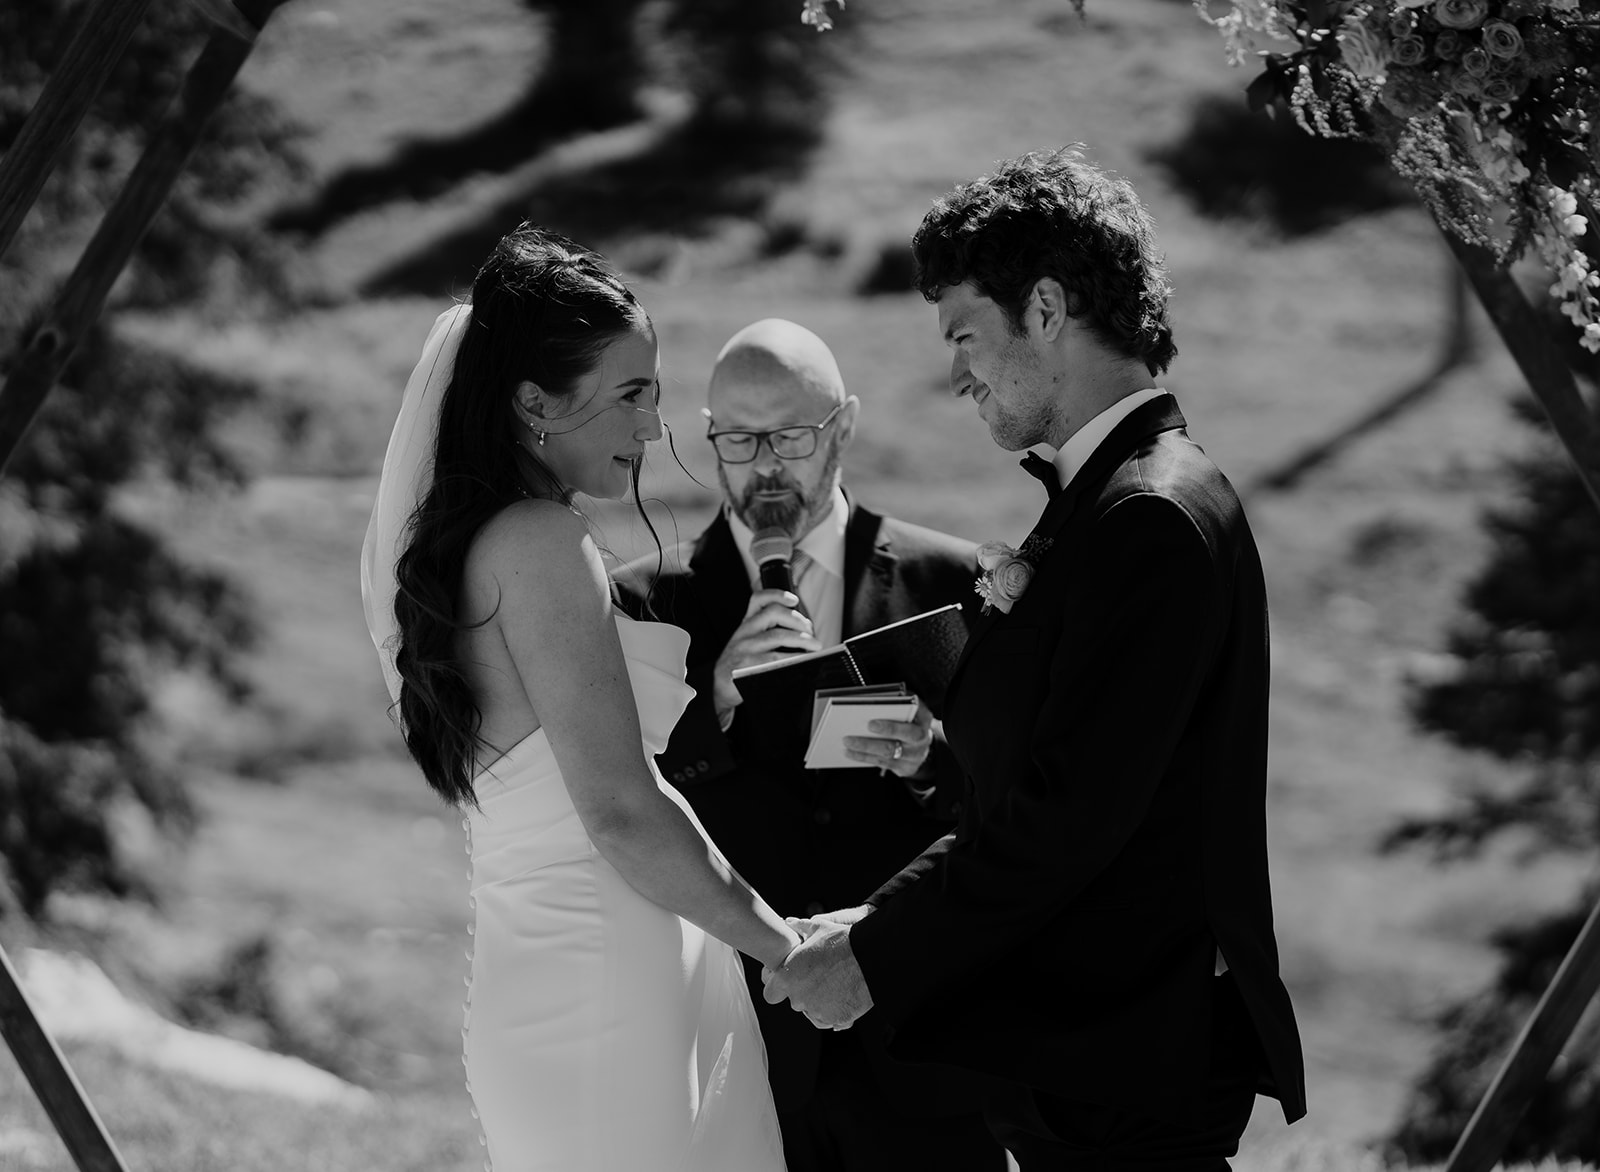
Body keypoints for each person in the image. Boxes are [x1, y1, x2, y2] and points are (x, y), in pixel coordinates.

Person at [763, 148, 1308, 1169]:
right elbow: (1017, 791)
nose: (956, 370)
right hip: (1084, 1067)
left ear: (1047, 308)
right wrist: (870, 915)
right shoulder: (1106, 501)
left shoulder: (1145, 514)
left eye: (965, 333)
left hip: (1123, 1075)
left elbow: (1070, 815)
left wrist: (875, 956)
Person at [360, 224, 795, 1172]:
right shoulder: (542, 545)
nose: (652, 427)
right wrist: (786, 948)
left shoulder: (480, 547)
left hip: (552, 977)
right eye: (631, 395)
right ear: (533, 402)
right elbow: (621, 810)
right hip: (604, 989)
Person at [615, 318, 1006, 1172]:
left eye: (790, 436)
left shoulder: (955, 582)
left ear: (846, 426)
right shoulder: (644, 602)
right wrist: (711, 703)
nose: (764, 467)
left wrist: (927, 760)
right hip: (728, 1047)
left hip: (918, 1051)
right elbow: (619, 804)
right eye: (737, 439)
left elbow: (1011, 813)